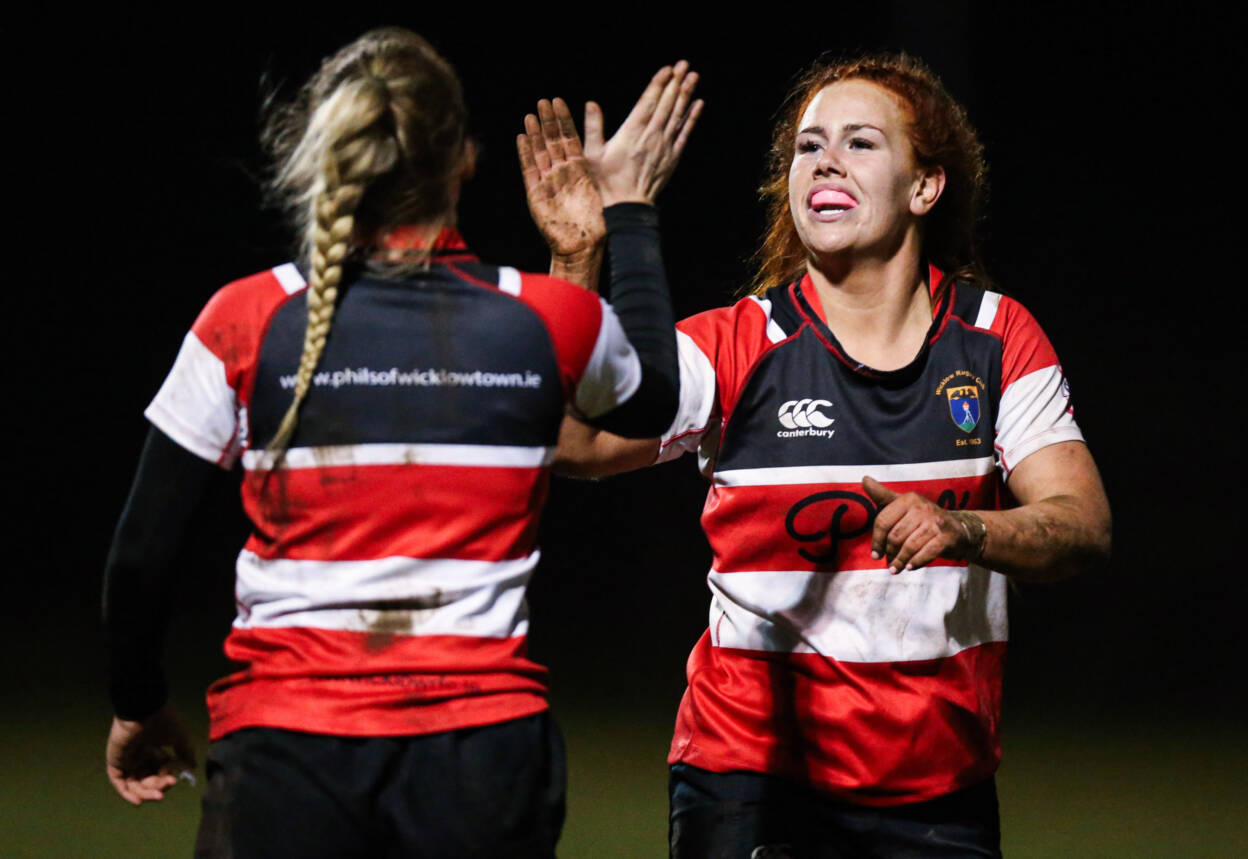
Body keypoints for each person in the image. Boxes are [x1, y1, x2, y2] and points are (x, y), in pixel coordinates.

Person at [102, 28, 701, 857]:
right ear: (462, 160)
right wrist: (628, 211)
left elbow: (140, 556)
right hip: (483, 760)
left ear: (326, 150)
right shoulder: (546, 316)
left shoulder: (245, 318)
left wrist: (138, 701)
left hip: (286, 752)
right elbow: (656, 400)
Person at [527, 53, 1112, 857]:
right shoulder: (738, 342)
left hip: (939, 783)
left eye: (861, 143)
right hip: (749, 776)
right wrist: (578, 257)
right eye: (808, 146)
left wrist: (964, 529)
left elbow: (1081, 522)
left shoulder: (996, 338)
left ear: (925, 188)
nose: (825, 160)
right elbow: (570, 439)